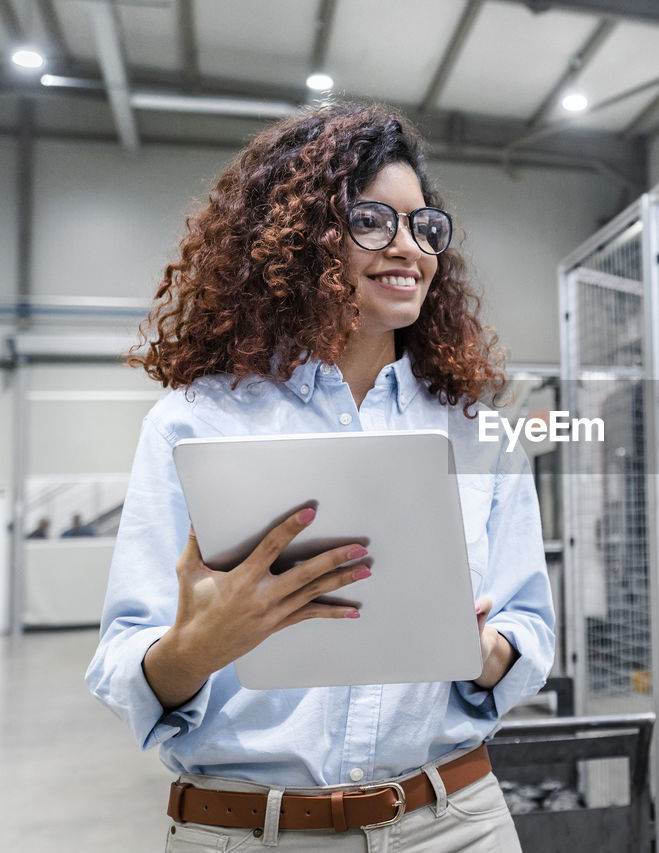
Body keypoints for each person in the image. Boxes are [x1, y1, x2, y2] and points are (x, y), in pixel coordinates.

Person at [86, 102, 555, 852]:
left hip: (456, 821)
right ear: (299, 239)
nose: (410, 247)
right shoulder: (197, 422)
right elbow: (124, 664)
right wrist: (199, 646)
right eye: (373, 221)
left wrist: (488, 650)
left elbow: (531, 622)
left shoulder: (474, 430)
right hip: (251, 831)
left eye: (424, 226)